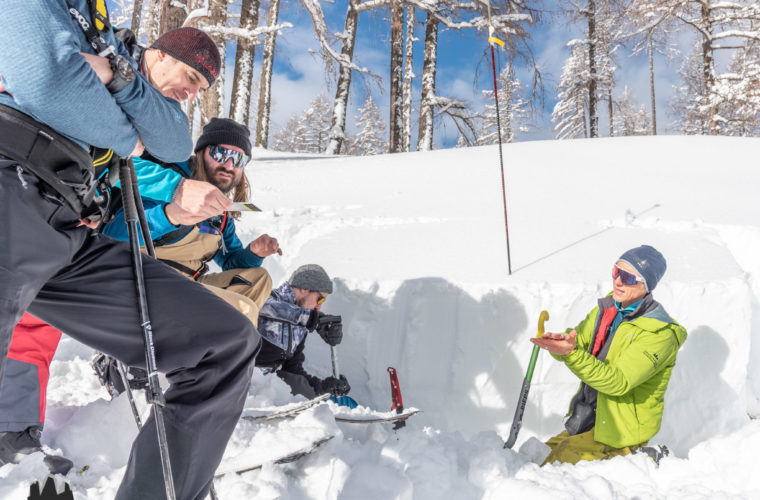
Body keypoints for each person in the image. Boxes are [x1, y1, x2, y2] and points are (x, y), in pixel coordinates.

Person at [0, 3, 259, 498]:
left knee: (225, 343)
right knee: (24, 337)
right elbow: (49, 83)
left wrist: (114, 80)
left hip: (72, 230)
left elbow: (172, 138)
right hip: (12, 179)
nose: (189, 93)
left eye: (199, 90)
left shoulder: (108, 44)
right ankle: (13, 433)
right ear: (159, 55)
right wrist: (132, 138)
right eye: (187, 77)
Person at [93, 118, 280, 395]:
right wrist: (171, 215)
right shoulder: (169, 180)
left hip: (188, 286)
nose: (228, 164)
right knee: (243, 311)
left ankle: (208, 357)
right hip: (146, 279)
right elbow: (115, 233)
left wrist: (253, 253)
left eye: (238, 158)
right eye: (220, 153)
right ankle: (216, 383)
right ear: (201, 152)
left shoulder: (220, 211)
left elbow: (231, 262)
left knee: (259, 278)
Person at [531, 245, 687, 465]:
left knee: (552, 471)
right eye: (616, 272)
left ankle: (638, 456)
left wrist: (572, 354)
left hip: (619, 431)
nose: (618, 281)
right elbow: (580, 343)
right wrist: (561, 343)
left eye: (628, 277)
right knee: (536, 458)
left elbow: (618, 382)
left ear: (647, 284)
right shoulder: (610, 307)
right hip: (588, 419)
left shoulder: (660, 334)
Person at [257, 265, 357, 407]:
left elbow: (293, 371)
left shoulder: (301, 326)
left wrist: (323, 387)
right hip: (238, 376)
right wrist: (312, 319)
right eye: (320, 299)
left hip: (265, 388)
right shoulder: (269, 298)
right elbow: (260, 307)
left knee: (300, 384)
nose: (319, 307)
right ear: (304, 288)